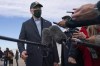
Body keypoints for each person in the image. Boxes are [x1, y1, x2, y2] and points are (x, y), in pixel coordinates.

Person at [17, 1, 59, 66]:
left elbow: (53, 42)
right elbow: (20, 41)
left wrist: (56, 59)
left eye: (39, 8)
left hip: (48, 59)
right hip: (33, 59)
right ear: (31, 11)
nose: (38, 10)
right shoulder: (25, 24)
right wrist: (22, 50)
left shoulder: (48, 23)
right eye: (36, 8)